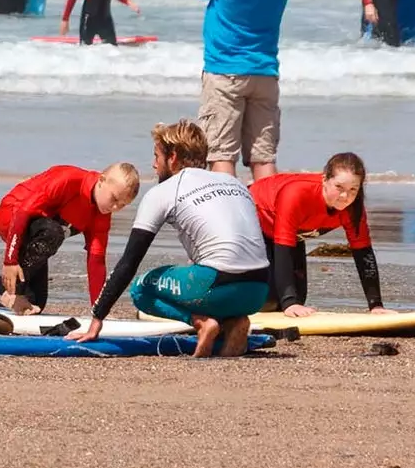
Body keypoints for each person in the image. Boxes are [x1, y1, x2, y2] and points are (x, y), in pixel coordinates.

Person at [70, 120, 269, 358]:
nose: (154, 165)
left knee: (141, 288)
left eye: (156, 156)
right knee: (205, 271)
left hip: (215, 285)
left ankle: (202, 323)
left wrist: (97, 318)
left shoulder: (164, 191)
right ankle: (234, 322)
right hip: (259, 291)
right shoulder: (234, 182)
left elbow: (129, 262)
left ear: (172, 157)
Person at [190, 0, 294, 181]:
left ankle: (229, 223)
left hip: (225, 70)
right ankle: (271, 221)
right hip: (264, 71)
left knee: (222, 155)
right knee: (263, 159)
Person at [0, 162, 140, 315]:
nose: (115, 207)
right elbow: (22, 213)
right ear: (101, 180)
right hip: (11, 217)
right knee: (53, 232)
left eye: (123, 205)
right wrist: (10, 261)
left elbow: (96, 262)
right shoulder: (68, 179)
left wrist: (99, 310)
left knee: (35, 304)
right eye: (114, 199)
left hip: (41, 236)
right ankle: (15, 293)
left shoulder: (101, 215)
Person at [250, 152, 392, 318]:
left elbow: (363, 254)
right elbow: (283, 247)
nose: (345, 196)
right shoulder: (296, 195)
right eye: (339, 187)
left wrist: (376, 305)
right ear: (325, 180)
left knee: (298, 298)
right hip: (254, 218)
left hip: (294, 233)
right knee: (270, 301)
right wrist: (289, 303)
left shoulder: (354, 208)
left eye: (353, 189)